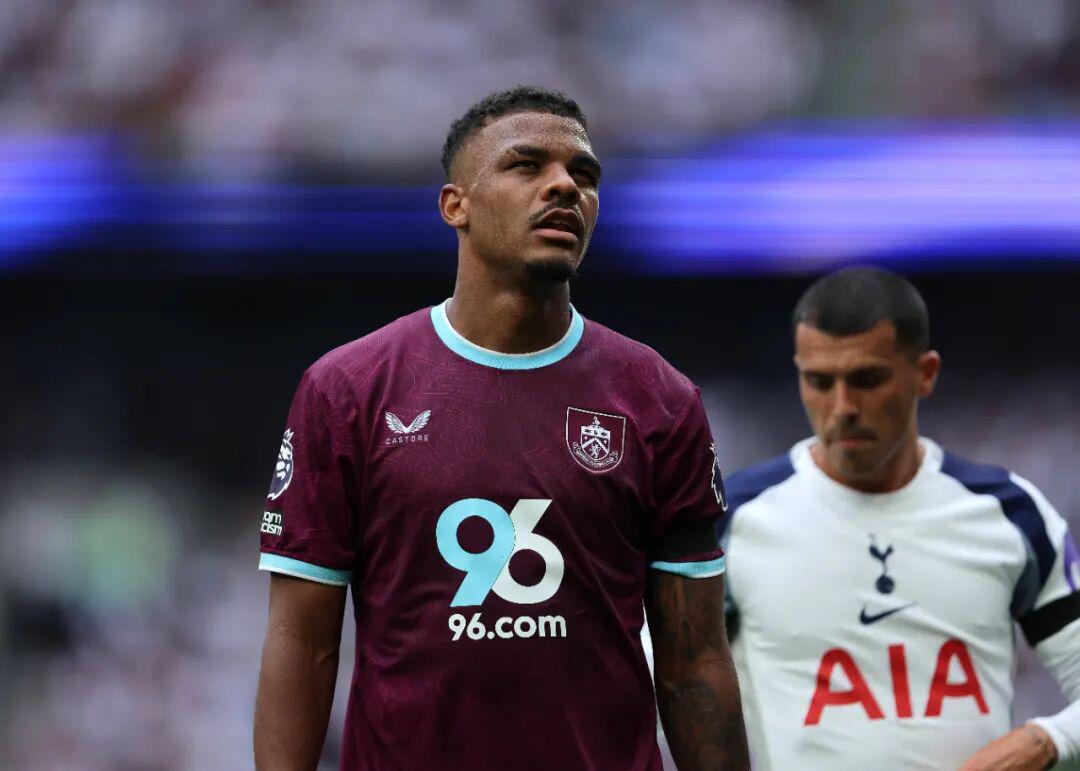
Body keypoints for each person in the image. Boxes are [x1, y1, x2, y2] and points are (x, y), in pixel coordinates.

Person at [253, 86, 749, 771]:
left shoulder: (659, 398)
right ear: (455, 205)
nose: (565, 186)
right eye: (527, 165)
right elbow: (301, 641)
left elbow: (694, 660)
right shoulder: (348, 389)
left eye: (584, 174)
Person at [720, 267, 1080, 769]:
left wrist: (1045, 740)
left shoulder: (1010, 513)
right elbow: (654, 679)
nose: (842, 406)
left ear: (925, 373)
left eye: (867, 379)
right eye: (819, 381)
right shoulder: (731, 519)